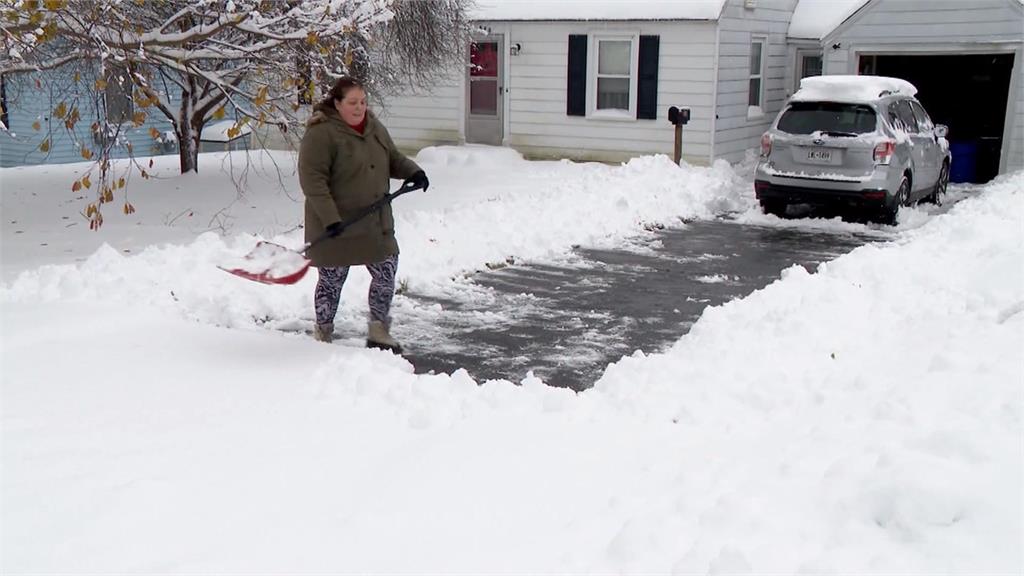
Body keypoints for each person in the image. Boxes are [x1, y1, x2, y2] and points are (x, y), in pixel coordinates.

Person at [298, 76, 429, 353]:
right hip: (337, 225)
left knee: (386, 271)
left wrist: (413, 172)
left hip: (374, 221)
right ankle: (323, 331)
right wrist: (330, 219)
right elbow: (313, 181)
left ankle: (378, 330)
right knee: (332, 281)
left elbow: (392, 158)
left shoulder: (374, 127)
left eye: (363, 102)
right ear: (337, 103)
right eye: (353, 103)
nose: (359, 108)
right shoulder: (321, 133)